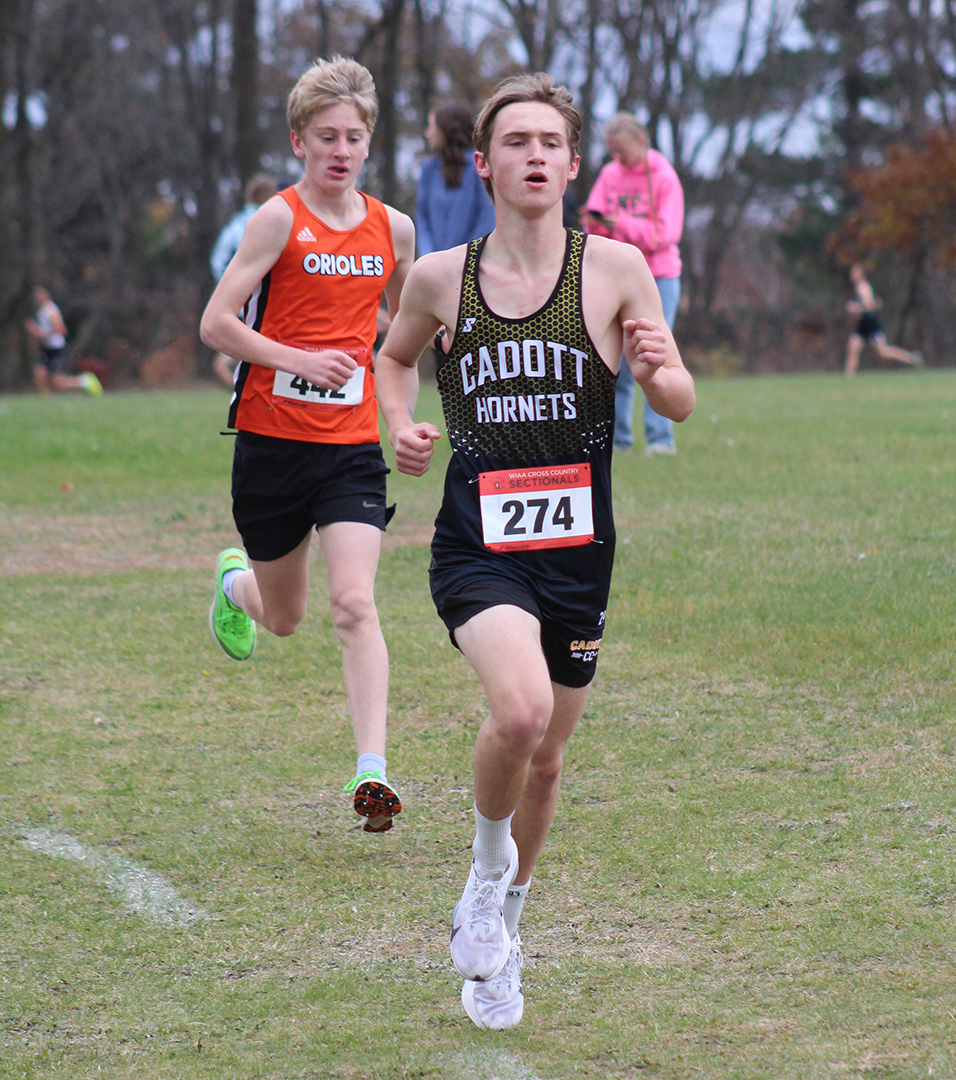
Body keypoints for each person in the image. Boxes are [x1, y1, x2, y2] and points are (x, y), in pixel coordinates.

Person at [375, 73, 695, 1029]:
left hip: (579, 552)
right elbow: (394, 359)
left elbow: (679, 398)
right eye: (516, 141)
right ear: (484, 164)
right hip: (479, 545)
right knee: (516, 714)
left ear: (572, 162)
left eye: (552, 142)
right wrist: (403, 428)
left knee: (549, 760)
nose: (535, 156)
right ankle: (482, 876)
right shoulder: (441, 276)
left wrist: (657, 371)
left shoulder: (619, 270)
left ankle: (504, 931)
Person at [199, 56, 414, 833]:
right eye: (327, 136)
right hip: (270, 445)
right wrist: (297, 360)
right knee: (284, 617)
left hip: (351, 449)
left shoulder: (395, 229)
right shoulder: (279, 219)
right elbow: (216, 323)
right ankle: (234, 587)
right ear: (299, 141)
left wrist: (406, 417)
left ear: (369, 143)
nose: (342, 150)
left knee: (355, 603)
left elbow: (408, 336)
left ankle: (373, 772)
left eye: (355, 137)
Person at [581, 113, 684, 455]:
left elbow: (665, 235)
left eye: (622, 151)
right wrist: (596, 223)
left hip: (659, 275)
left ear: (640, 142)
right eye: (612, 151)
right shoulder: (611, 174)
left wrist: (619, 222)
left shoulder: (664, 177)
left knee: (655, 354)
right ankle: (618, 439)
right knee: (616, 360)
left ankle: (660, 439)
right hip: (616, 276)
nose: (617, 159)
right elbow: (597, 228)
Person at [209, 174, 279, 387]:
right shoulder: (265, 222)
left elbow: (217, 261)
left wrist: (229, 288)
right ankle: (240, 382)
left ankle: (238, 379)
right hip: (261, 299)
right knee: (259, 344)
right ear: (265, 195)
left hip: (243, 299)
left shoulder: (235, 224)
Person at [415, 102, 495, 257]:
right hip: (433, 269)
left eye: (431, 126)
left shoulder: (480, 168)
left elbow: (486, 221)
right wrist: (430, 260)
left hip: (471, 267)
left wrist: (462, 262)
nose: (428, 133)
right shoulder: (428, 170)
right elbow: (422, 222)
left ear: (446, 129)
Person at [844, 264, 922, 375]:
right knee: (853, 348)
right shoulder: (859, 287)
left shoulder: (863, 286)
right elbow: (874, 304)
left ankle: (912, 358)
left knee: (883, 351)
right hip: (863, 323)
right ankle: (848, 379)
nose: (852, 274)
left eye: (855, 272)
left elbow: (869, 305)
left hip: (870, 323)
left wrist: (855, 308)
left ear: (861, 274)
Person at [28, 286, 102, 396]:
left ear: (47, 295)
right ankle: (45, 400)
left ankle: (85, 381)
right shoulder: (41, 311)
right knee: (40, 375)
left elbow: (61, 330)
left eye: (40, 294)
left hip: (55, 348)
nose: (37, 297)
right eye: (36, 295)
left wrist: (38, 332)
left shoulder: (51, 310)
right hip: (46, 348)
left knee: (58, 383)